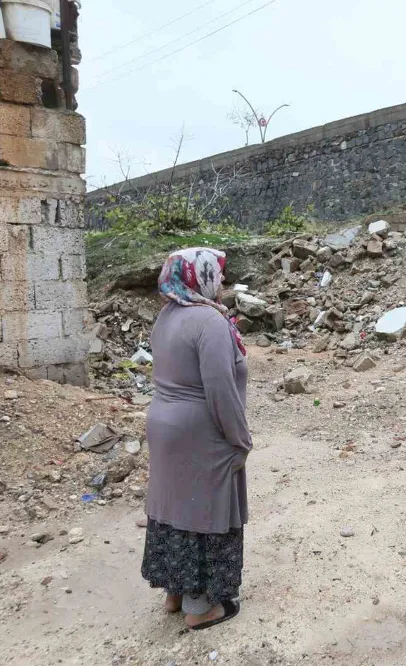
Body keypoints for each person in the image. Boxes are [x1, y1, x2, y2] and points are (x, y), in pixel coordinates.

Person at [141, 247, 252, 630]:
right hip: (199, 431)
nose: (221, 280)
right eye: (216, 273)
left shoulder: (168, 314)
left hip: (164, 424)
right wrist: (240, 439)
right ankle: (200, 606)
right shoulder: (209, 321)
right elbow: (221, 390)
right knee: (205, 510)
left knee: (172, 506)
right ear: (199, 276)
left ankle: (174, 592)